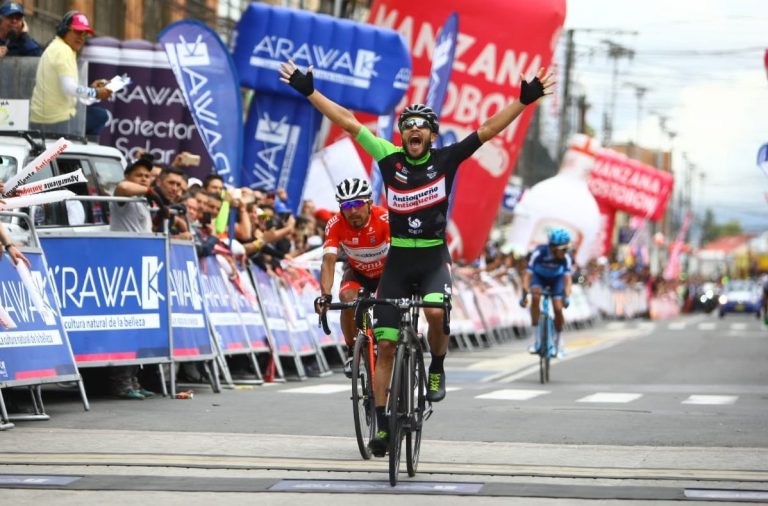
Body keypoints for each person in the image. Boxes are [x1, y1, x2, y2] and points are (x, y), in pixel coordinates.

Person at [279, 58, 554, 456]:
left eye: (421, 126)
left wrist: (523, 101)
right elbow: (347, 121)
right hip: (398, 263)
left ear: (431, 134)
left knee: (437, 313)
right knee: (386, 346)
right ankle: (383, 423)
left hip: (431, 260)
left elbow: (489, 130)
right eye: (407, 126)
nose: (413, 131)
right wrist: (309, 91)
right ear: (402, 135)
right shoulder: (389, 159)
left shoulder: (446, 160)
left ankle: (437, 367)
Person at [314, 178, 390, 380]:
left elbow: (399, 256)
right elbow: (328, 261)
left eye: (357, 203)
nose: (353, 210)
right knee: (348, 300)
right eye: (347, 205)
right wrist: (325, 295)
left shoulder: (384, 218)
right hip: (358, 272)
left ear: (369, 203)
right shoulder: (335, 223)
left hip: (387, 271)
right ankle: (351, 350)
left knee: (387, 304)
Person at [106, 157, 156, 399]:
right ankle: (121, 381)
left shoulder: (143, 201)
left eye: (148, 176)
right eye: (139, 175)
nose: (145, 179)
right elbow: (122, 188)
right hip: (124, 268)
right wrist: (151, 190)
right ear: (128, 176)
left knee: (139, 327)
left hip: (141, 268)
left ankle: (134, 379)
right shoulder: (124, 196)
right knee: (125, 326)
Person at [29, 11, 112, 137]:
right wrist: (95, 92)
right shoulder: (63, 51)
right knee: (101, 115)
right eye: (78, 32)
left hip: (44, 119)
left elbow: (71, 93)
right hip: (55, 121)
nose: (81, 37)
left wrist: (92, 91)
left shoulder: (59, 47)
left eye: (84, 34)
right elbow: (69, 88)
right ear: (64, 30)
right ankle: (79, 153)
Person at [519, 228, 573, 358]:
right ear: (553, 247)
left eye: (567, 248)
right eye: (563, 248)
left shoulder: (566, 257)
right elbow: (527, 275)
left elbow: (567, 279)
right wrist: (525, 293)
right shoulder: (539, 252)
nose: (566, 251)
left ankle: (559, 341)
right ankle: (536, 338)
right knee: (536, 296)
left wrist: (567, 295)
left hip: (556, 280)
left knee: (558, 308)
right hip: (539, 278)